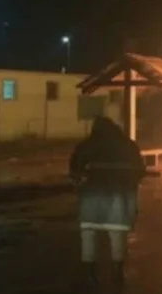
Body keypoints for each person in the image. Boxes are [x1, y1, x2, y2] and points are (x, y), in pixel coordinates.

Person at [69, 116, 146, 291]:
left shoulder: (86, 146)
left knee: (88, 234)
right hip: (120, 197)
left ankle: (89, 273)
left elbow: (74, 171)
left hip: (92, 197)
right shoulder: (128, 146)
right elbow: (140, 171)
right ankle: (117, 273)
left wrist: (80, 181)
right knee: (116, 234)